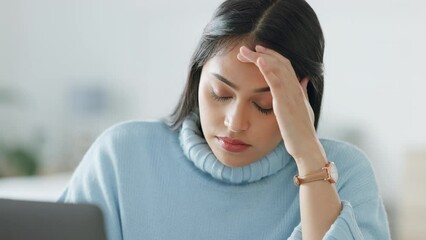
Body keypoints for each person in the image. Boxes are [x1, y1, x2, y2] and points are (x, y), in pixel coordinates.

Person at [59, 0, 390, 239]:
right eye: (221, 93)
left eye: (264, 105)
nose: (235, 123)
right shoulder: (121, 155)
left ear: (302, 100)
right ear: (197, 77)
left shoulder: (344, 173)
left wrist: (309, 156)